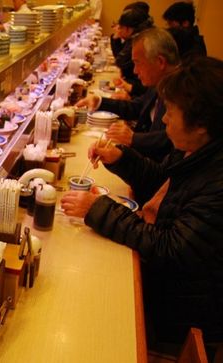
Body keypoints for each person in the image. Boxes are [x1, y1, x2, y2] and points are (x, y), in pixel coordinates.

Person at [62, 56, 223, 358]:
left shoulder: (217, 183)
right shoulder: (198, 150)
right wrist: (121, 158)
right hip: (167, 287)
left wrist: (98, 209)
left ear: (201, 125)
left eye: (171, 113)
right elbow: (162, 181)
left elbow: (169, 247)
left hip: (176, 312)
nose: (164, 120)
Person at [76, 28, 180, 162]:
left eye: (137, 63)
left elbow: (172, 140)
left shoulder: (183, 93)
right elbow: (138, 107)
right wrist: (100, 102)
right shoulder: (160, 83)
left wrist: (133, 138)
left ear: (160, 62)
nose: (135, 71)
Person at [112, 9, 153, 97]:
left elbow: (120, 61)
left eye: (121, 27)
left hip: (137, 89)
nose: (119, 29)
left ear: (128, 29)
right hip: (136, 87)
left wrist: (131, 88)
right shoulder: (140, 34)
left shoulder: (139, 39)